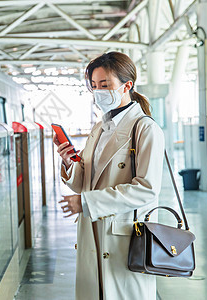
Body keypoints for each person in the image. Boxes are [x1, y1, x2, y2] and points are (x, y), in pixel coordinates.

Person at [54, 52, 165, 300]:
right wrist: (69, 162)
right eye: (94, 86)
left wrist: (86, 203)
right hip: (93, 230)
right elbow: (85, 181)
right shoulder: (100, 127)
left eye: (105, 85)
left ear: (127, 85)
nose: (98, 92)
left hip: (123, 236)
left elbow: (147, 189)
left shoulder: (145, 128)